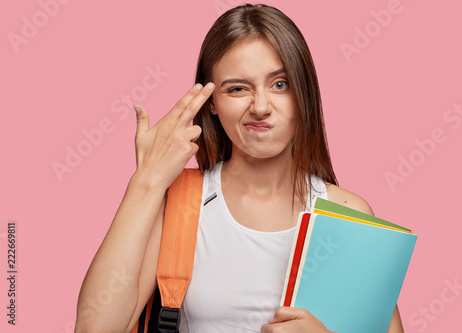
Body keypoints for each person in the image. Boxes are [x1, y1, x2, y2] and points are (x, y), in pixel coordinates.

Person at [75, 4, 405, 333]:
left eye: (280, 84)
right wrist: (146, 180)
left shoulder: (345, 213)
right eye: (237, 89)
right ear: (213, 103)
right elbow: (95, 328)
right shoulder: (178, 203)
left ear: (303, 93)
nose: (260, 107)